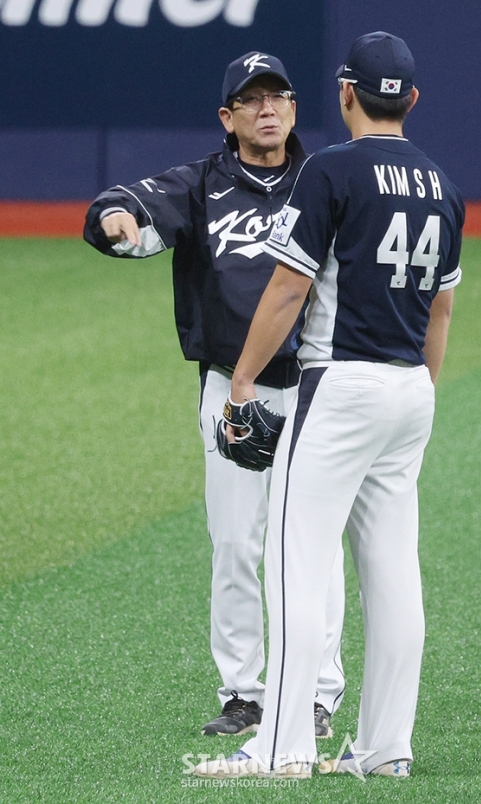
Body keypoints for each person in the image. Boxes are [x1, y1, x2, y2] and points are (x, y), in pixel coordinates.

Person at [194, 31, 464, 779]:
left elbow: (288, 290)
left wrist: (243, 380)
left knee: (294, 562)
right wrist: (421, 395)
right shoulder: (443, 183)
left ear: (347, 94)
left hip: (339, 384)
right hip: (411, 387)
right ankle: (384, 749)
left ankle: (280, 748)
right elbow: (440, 311)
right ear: (409, 99)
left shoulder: (330, 171)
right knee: (391, 571)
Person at [83, 52, 346, 739]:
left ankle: (317, 694)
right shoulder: (202, 184)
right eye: (251, 100)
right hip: (232, 390)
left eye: (278, 97)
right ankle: (245, 693)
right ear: (228, 118)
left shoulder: (324, 181)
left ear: (293, 109)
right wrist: (114, 220)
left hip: (316, 387)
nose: (267, 109)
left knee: (315, 544)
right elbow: (129, 205)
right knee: (236, 544)